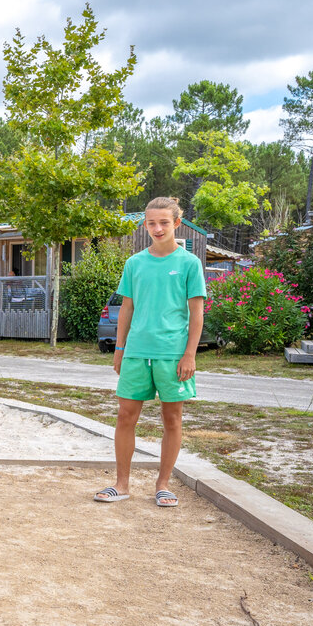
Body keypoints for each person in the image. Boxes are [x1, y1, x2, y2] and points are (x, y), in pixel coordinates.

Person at [95, 196, 206, 508]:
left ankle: (163, 484)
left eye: (164, 222)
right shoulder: (135, 263)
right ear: (145, 225)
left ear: (177, 224)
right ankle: (121, 483)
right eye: (152, 223)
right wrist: (119, 348)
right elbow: (126, 309)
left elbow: (196, 313)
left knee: (172, 418)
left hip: (173, 354)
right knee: (124, 416)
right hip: (136, 353)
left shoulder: (189, 264)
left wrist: (190, 355)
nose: (157, 228)